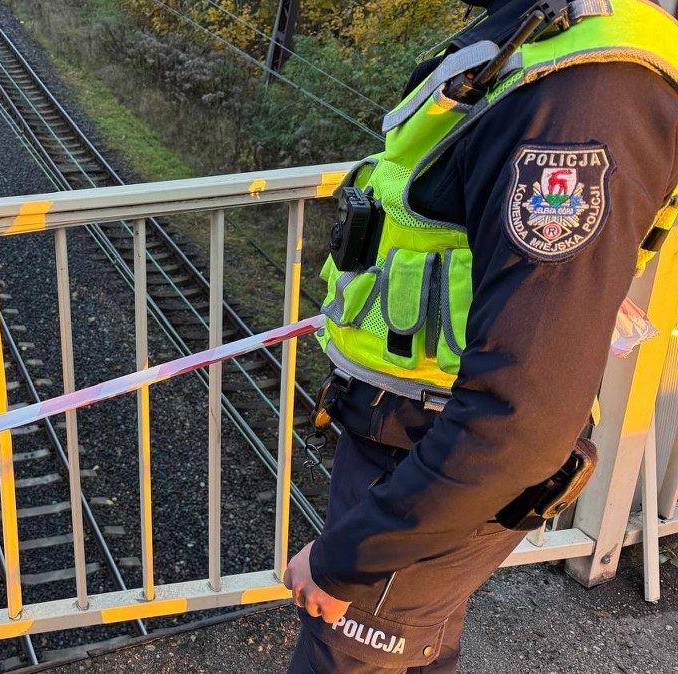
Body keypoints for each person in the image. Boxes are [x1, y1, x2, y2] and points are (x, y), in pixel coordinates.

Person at [283, 0, 678, 671]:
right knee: (420, 650)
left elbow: (524, 416)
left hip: (433, 455)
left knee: (354, 656)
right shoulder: (546, 37)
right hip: (411, 440)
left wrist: (346, 560)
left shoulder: (590, 98)